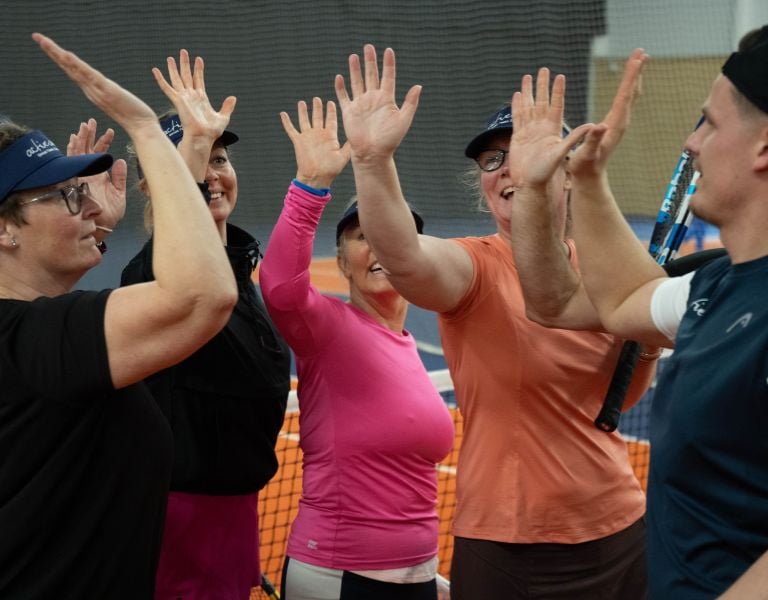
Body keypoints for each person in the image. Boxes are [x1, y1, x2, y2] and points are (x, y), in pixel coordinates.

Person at [333, 44, 658, 599]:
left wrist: (645, 345)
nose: (508, 166)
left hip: (621, 530)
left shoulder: (601, 267)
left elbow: (616, 400)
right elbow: (404, 256)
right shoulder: (473, 266)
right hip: (512, 548)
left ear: (569, 172)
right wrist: (371, 162)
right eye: (492, 160)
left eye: (527, 149)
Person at [504, 27, 768, 598]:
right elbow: (578, 303)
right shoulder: (714, 286)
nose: (690, 142)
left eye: (710, 123)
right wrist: (579, 181)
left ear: (764, 146)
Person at [0, 34, 237, 599]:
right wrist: (147, 131)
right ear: (4, 229)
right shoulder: (34, 344)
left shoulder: (42, 338)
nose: (85, 203)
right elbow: (202, 295)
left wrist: (90, 225)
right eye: (60, 196)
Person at [259, 97, 455, 600]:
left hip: (416, 575)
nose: (379, 246)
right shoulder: (327, 328)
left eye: (389, 233)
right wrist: (311, 184)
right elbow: (280, 287)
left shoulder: (408, 346)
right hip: (340, 576)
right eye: (361, 236)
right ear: (342, 263)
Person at [119, 50, 291, 600]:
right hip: (179, 523)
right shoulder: (152, 274)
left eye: (221, 158)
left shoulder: (240, 270)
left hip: (234, 514)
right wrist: (190, 151)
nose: (213, 174)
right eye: (194, 162)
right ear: (154, 185)